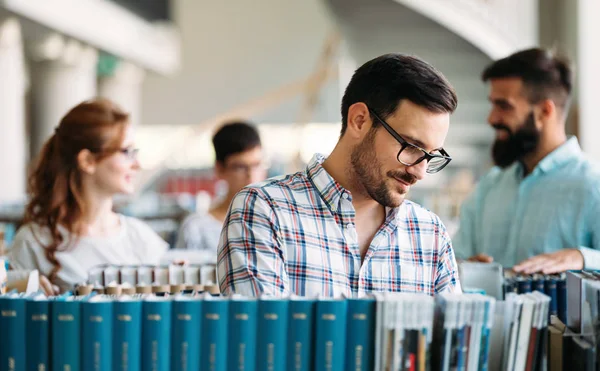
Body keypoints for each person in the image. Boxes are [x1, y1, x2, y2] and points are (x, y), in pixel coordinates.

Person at [217, 54, 461, 297]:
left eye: (431, 155)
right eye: (410, 147)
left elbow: (451, 335)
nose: (419, 172)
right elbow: (263, 333)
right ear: (359, 120)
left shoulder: (430, 235)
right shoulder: (264, 210)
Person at [453, 48, 600, 274]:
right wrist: (464, 268)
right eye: (492, 104)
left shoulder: (594, 186)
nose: (491, 118)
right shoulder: (487, 188)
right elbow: (454, 260)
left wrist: (583, 257)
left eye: (504, 106)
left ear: (544, 111)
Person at [7, 98, 168, 293]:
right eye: (126, 152)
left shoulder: (142, 239)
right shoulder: (34, 242)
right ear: (88, 160)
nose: (137, 164)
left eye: (135, 152)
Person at [174, 121, 267, 252]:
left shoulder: (273, 223)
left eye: (257, 165)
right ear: (220, 169)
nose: (251, 176)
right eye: (240, 167)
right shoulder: (197, 229)